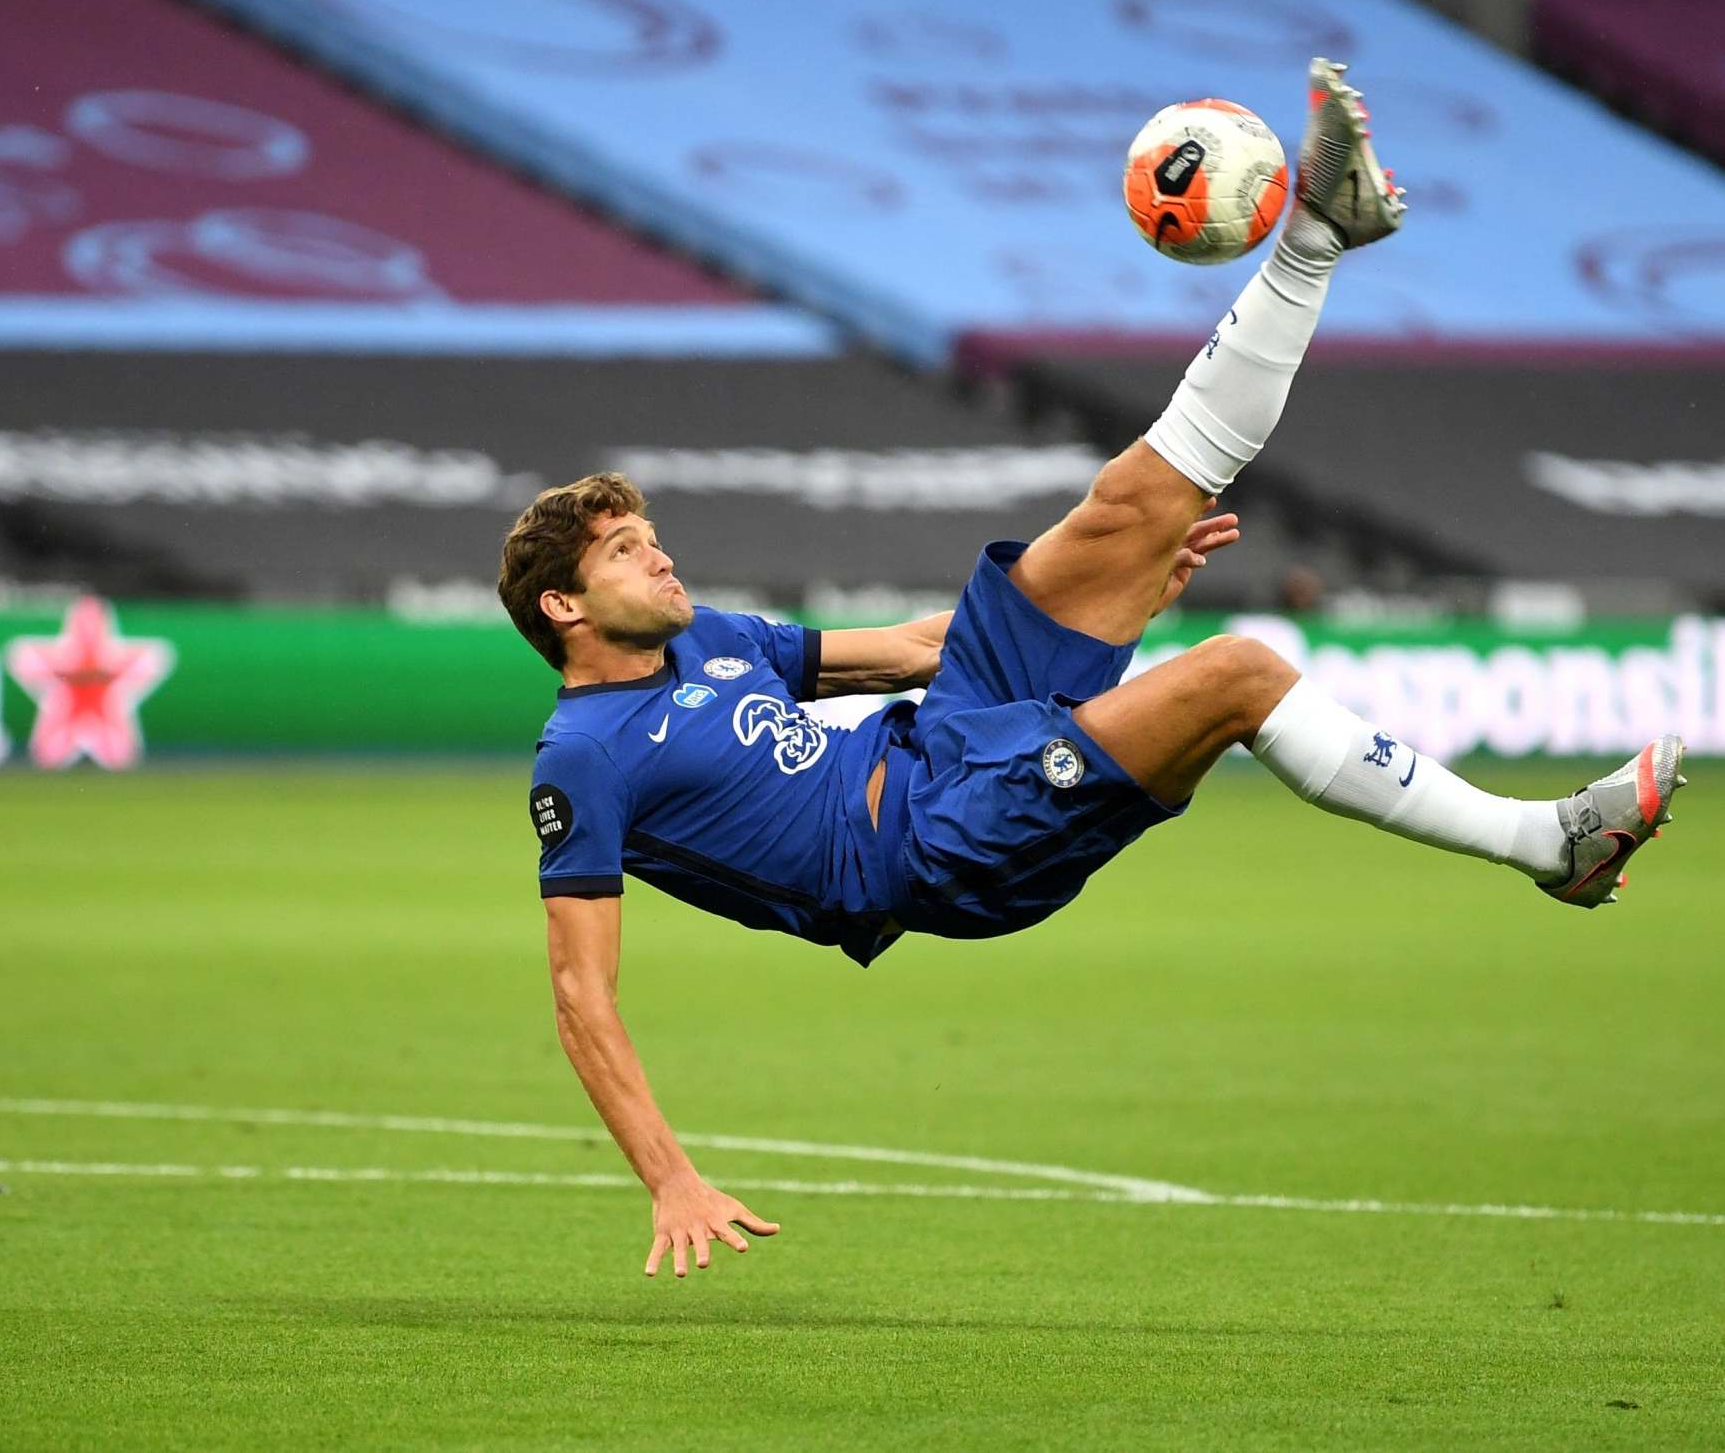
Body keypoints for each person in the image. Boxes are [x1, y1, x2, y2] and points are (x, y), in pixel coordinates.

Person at [497, 62, 1686, 1283]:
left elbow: (914, 648)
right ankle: (1547, 842)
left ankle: (1320, 236)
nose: (662, 553)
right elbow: (582, 997)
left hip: (942, 732)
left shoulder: (709, 637)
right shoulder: (581, 760)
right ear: (564, 605)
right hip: (934, 843)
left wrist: (1119, 589)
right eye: (628, 551)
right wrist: (669, 1173)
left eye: (651, 535)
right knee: (1235, 673)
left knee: (1127, 506)